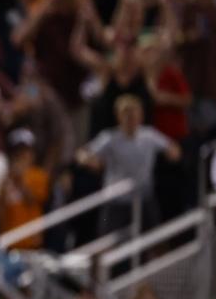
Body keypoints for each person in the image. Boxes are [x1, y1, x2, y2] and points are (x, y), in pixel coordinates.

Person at [76, 95, 180, 232]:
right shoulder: (109, 137)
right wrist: (88, 160)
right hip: (117, 200)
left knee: (155, 236)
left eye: (134, 114)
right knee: (110, 240)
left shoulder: (149, 135)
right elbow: (82, 153)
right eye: (127, 114)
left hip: (144, 197)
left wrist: (173, 153)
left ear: (141, 115)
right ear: (118, 116)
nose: (131, 118)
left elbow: (172, 148)